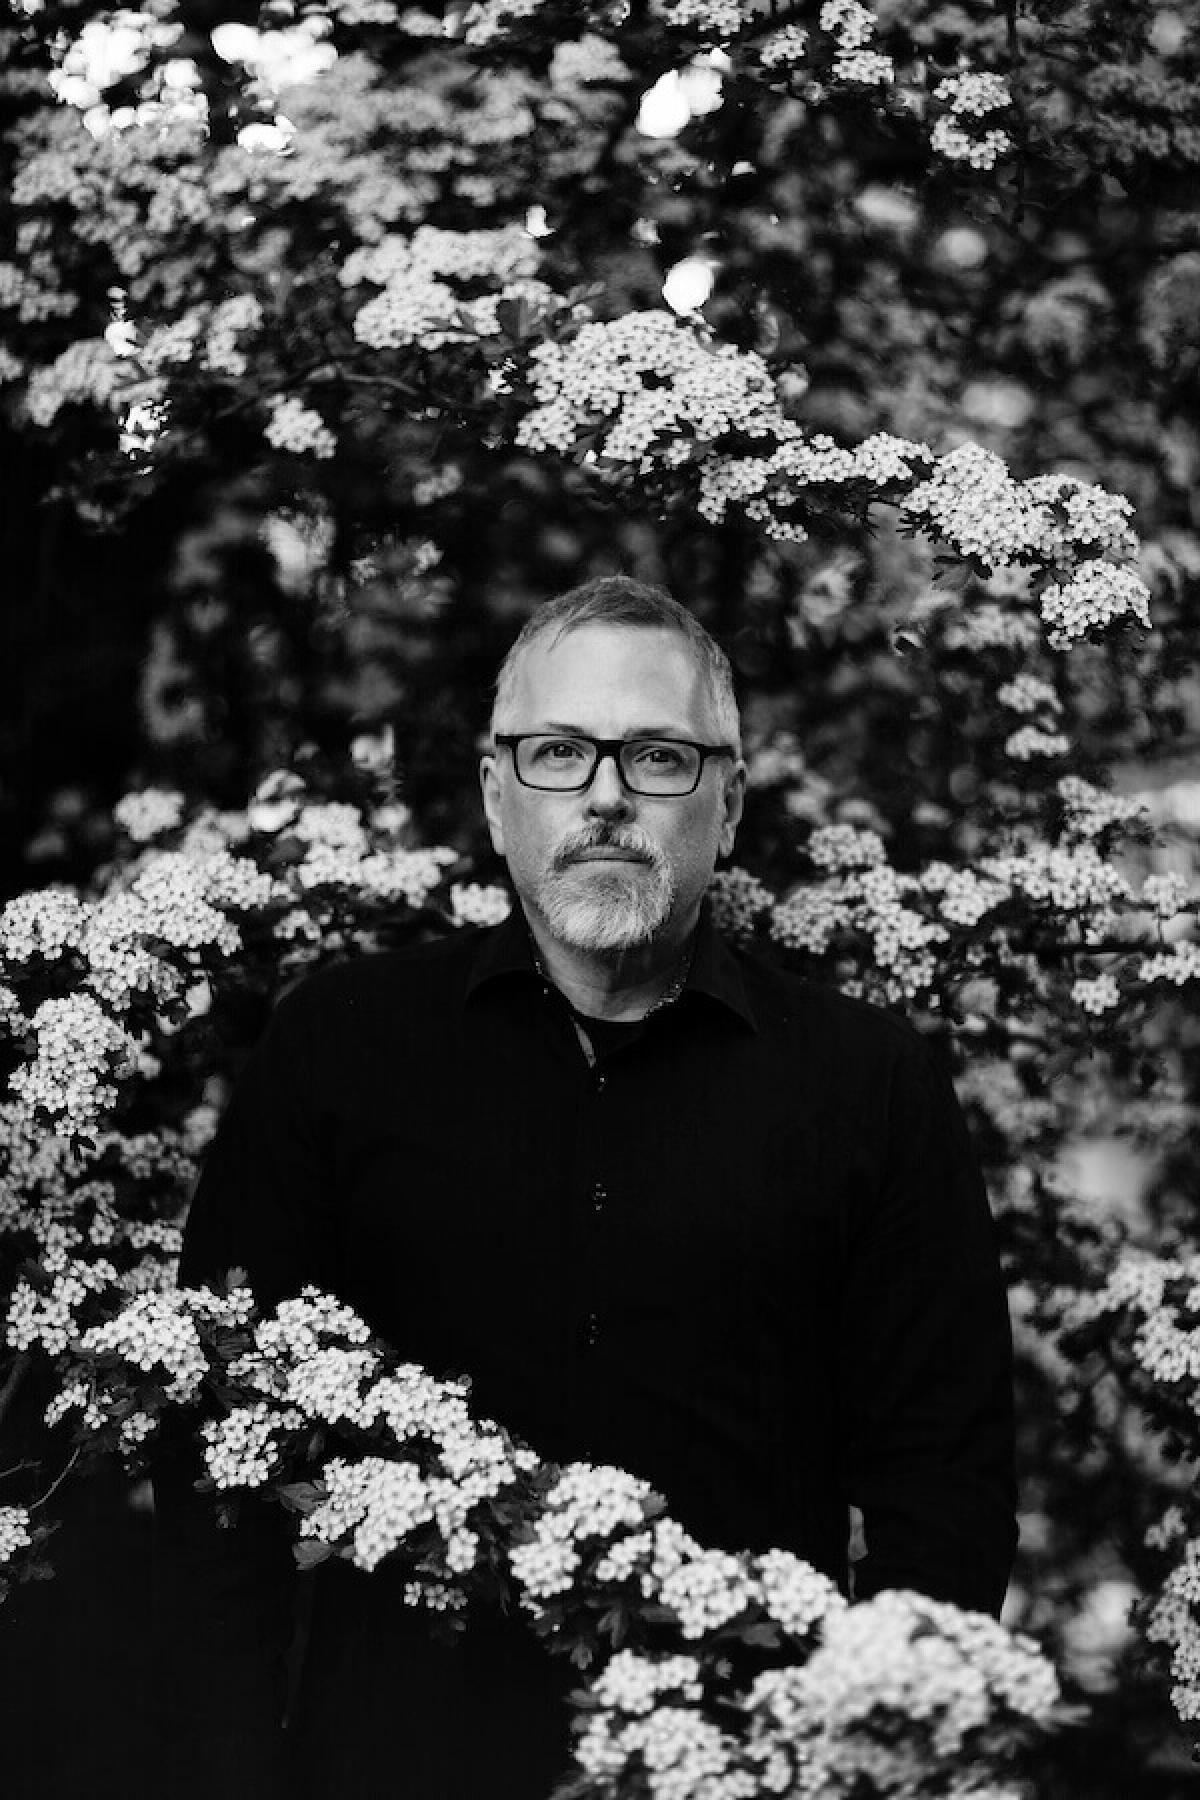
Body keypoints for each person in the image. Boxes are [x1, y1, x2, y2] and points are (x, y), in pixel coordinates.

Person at [153, 576, 1017, 1799]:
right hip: (391, 1767)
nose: (605, 796)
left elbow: (949, 1501)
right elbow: (213, 1478)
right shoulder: (341, 1047)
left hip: (737, 1768)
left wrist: (850, 1762)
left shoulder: (869, 1086)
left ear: (729, 806)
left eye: (658, 756)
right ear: (498, 795)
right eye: (559, 752)